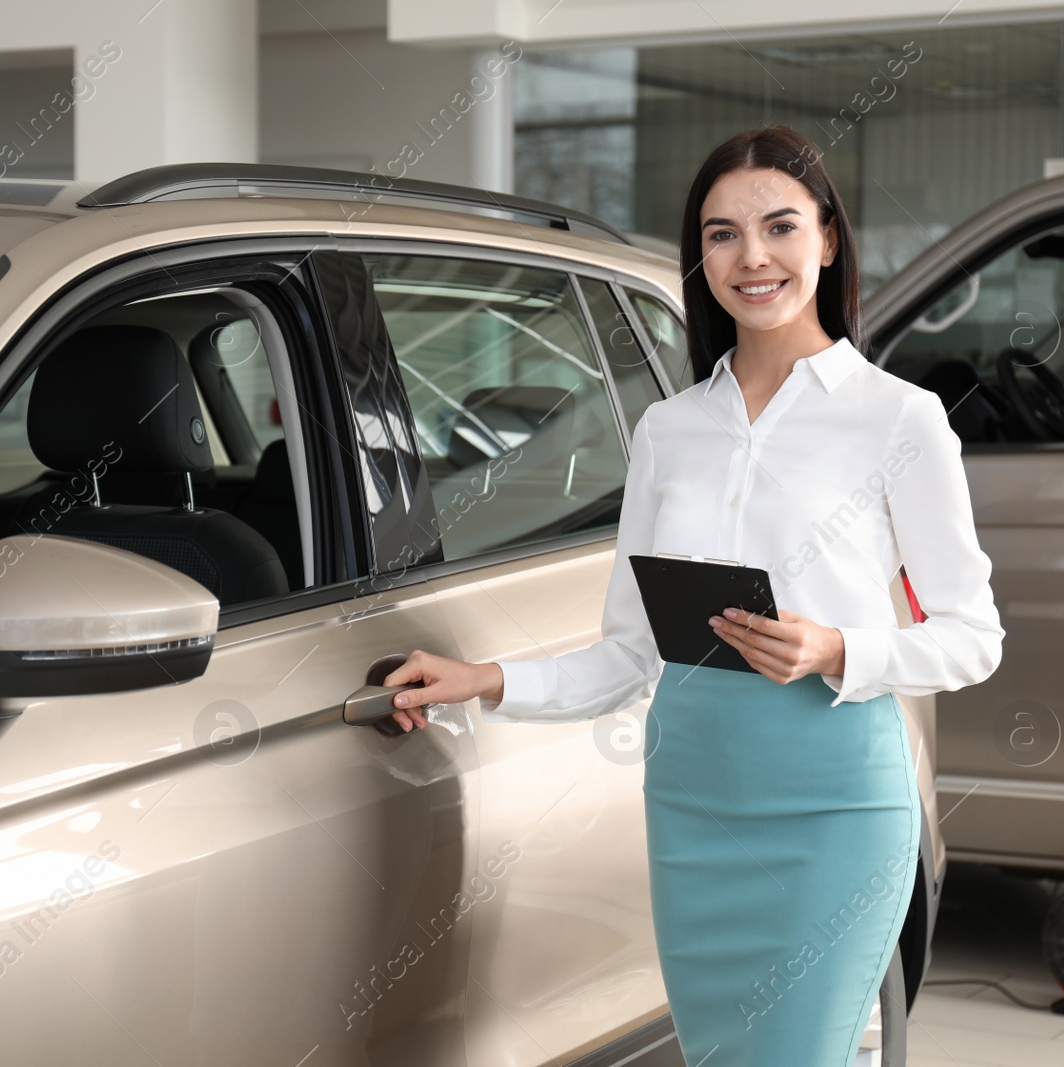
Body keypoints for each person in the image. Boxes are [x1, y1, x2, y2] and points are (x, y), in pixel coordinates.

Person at [381, 124, 1005, 1067]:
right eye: (721, 234)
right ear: (698, 256)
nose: (752, 257)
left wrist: (837, 648)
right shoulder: (669, 430)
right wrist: (482, 679)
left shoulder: (898, 419)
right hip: (692, 805)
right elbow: (628, 654)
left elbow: (974, 636)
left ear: (827, 240)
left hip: (834, 805)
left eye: (780, 227)